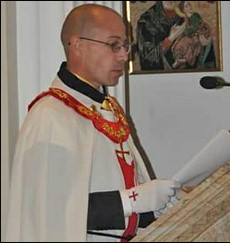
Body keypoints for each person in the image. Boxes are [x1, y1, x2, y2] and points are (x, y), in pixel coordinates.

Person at [5, 4, 181, 242]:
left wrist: (153, 208)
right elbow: (51, 213)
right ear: (78, 45)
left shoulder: (109, 110)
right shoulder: (50, 116)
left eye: (125, 46)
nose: (123, 55)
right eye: (113, 45)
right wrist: (133, 200)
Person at [136, 1, 185, 70]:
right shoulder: (146, 21)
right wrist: (170, 39)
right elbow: (148, 58)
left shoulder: (183, 16)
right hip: (156, 77)